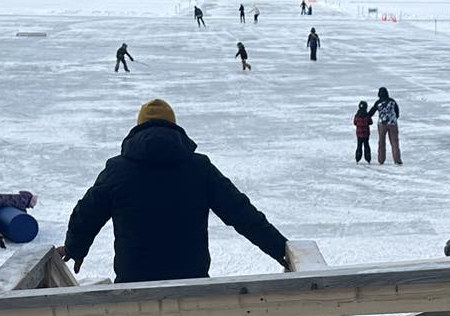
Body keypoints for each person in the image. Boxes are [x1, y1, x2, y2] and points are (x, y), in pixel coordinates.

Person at [61, 99, 291, 283]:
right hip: (192, 288)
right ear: (174, 127)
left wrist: (75, 247)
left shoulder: (117, 170)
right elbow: (241, 213)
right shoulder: (200, 169)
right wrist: (279, 248)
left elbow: (87, 213)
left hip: (133, 288)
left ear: (137, 128)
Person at [373, 85, 402, 166]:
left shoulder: (378, 102)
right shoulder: (392, 101)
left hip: (382, 123)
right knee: (394, 142)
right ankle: (397, 159)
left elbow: (371, 112)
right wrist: (394, 119)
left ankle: (381, 160)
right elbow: (397, 111)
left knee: (381, 142)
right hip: (393, 123)